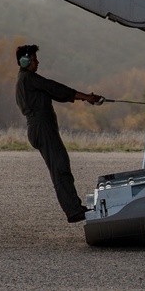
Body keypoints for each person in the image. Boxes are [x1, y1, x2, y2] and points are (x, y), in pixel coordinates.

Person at [14, 44, 102, 223]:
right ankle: (73, 210)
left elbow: (56, 93)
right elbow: (55, 88)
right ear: (24, 61)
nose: (37, 62)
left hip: (39, 128)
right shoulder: (29, 78)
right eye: (33, 59)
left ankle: (74, 207)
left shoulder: (24, 79)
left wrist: (83, 98)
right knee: (60, 167)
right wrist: (85, 97)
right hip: (43, 128)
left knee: (59, 165)